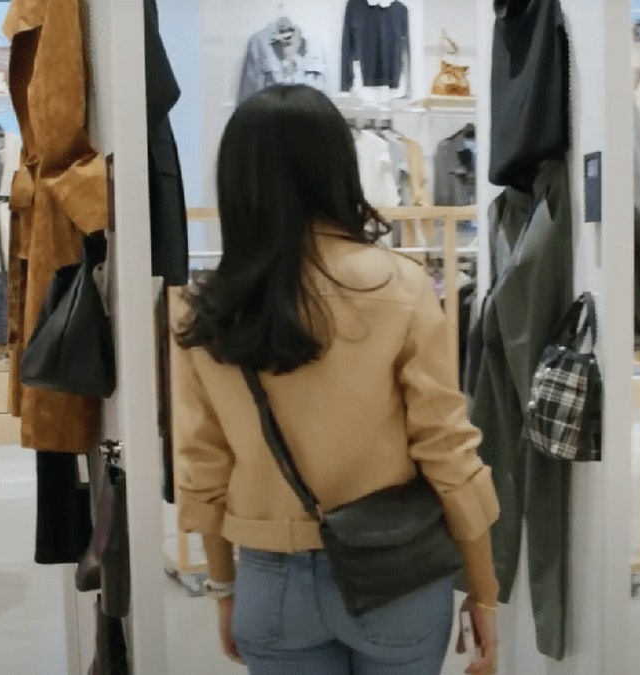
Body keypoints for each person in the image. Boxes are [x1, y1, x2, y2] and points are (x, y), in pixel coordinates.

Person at [173, 84, 502, 675]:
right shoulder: (400, 286)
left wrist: (224, 587)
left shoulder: (207, 311)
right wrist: (482, 589)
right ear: (337, 167)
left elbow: (204, 467)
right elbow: (448, 451)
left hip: (270, 583)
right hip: (395, 576)